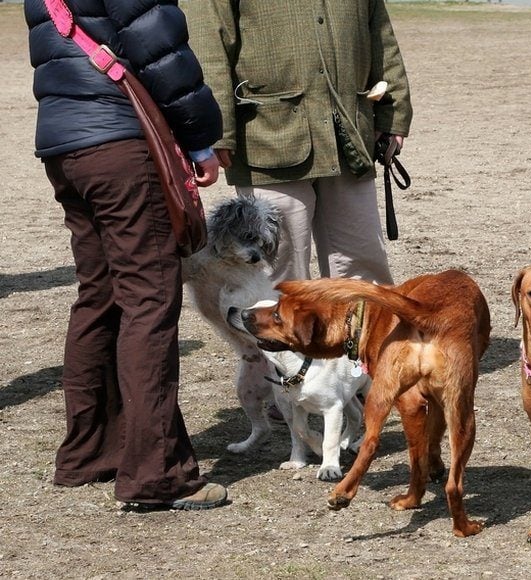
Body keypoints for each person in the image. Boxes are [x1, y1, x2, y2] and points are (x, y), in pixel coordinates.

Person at [26, 0, 228, 509]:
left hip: (64, 142)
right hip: (119, 142)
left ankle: (89, 453)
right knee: (150, 300)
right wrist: (202, 140)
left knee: (99, 296)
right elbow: (160, 50)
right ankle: (156, 474)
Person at [187, 1, 414, 287]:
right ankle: (277, 334)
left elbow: (381, 35)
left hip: (349, 136)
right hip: (267, 139)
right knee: (280, 268)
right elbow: (208, 45)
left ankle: (358, 332)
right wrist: (217, 131)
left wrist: (393, 112)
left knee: (363, 265)